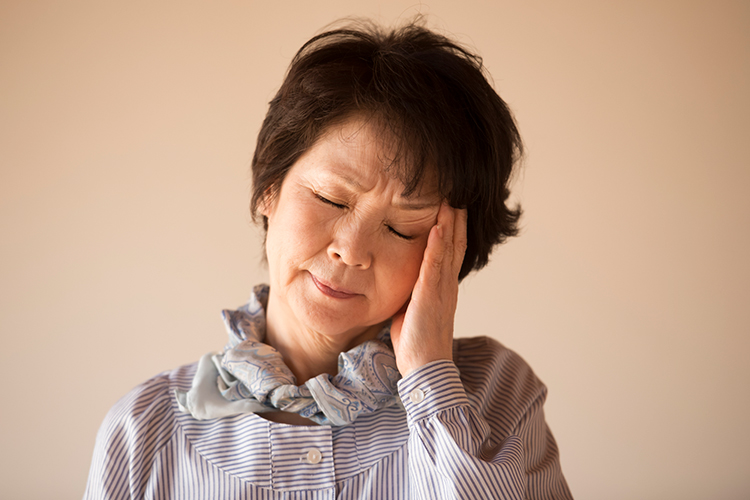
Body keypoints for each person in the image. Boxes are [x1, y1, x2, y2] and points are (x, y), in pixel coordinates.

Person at [85, 20, 573, 499]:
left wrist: (430, 380)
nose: (352, 250)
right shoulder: (142, 432)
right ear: (268, 191)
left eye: (402, 228)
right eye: (331, 199)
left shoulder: (498, 393)